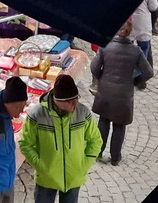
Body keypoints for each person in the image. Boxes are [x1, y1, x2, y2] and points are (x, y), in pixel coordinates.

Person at [21, 75, 102, 203]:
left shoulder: (83, 113)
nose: (75, 104)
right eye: (70, 101)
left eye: (76, 98)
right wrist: (41, 166)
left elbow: (96, 140)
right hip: (46, 179)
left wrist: (84, 164)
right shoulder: (37, 114)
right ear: (57, 100)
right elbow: (25, 144)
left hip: (73, 178)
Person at [90, 21, 153, 166]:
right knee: (119, 125)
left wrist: (101, 78)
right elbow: (148, 72)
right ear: (129, 32)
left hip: (105, 91)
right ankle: (115, 158)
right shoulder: (135, 51)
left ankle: (98, 152)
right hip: (124, 94)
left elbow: (94, 68)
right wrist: (135, 81)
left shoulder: (105, 47)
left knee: (103, 121)